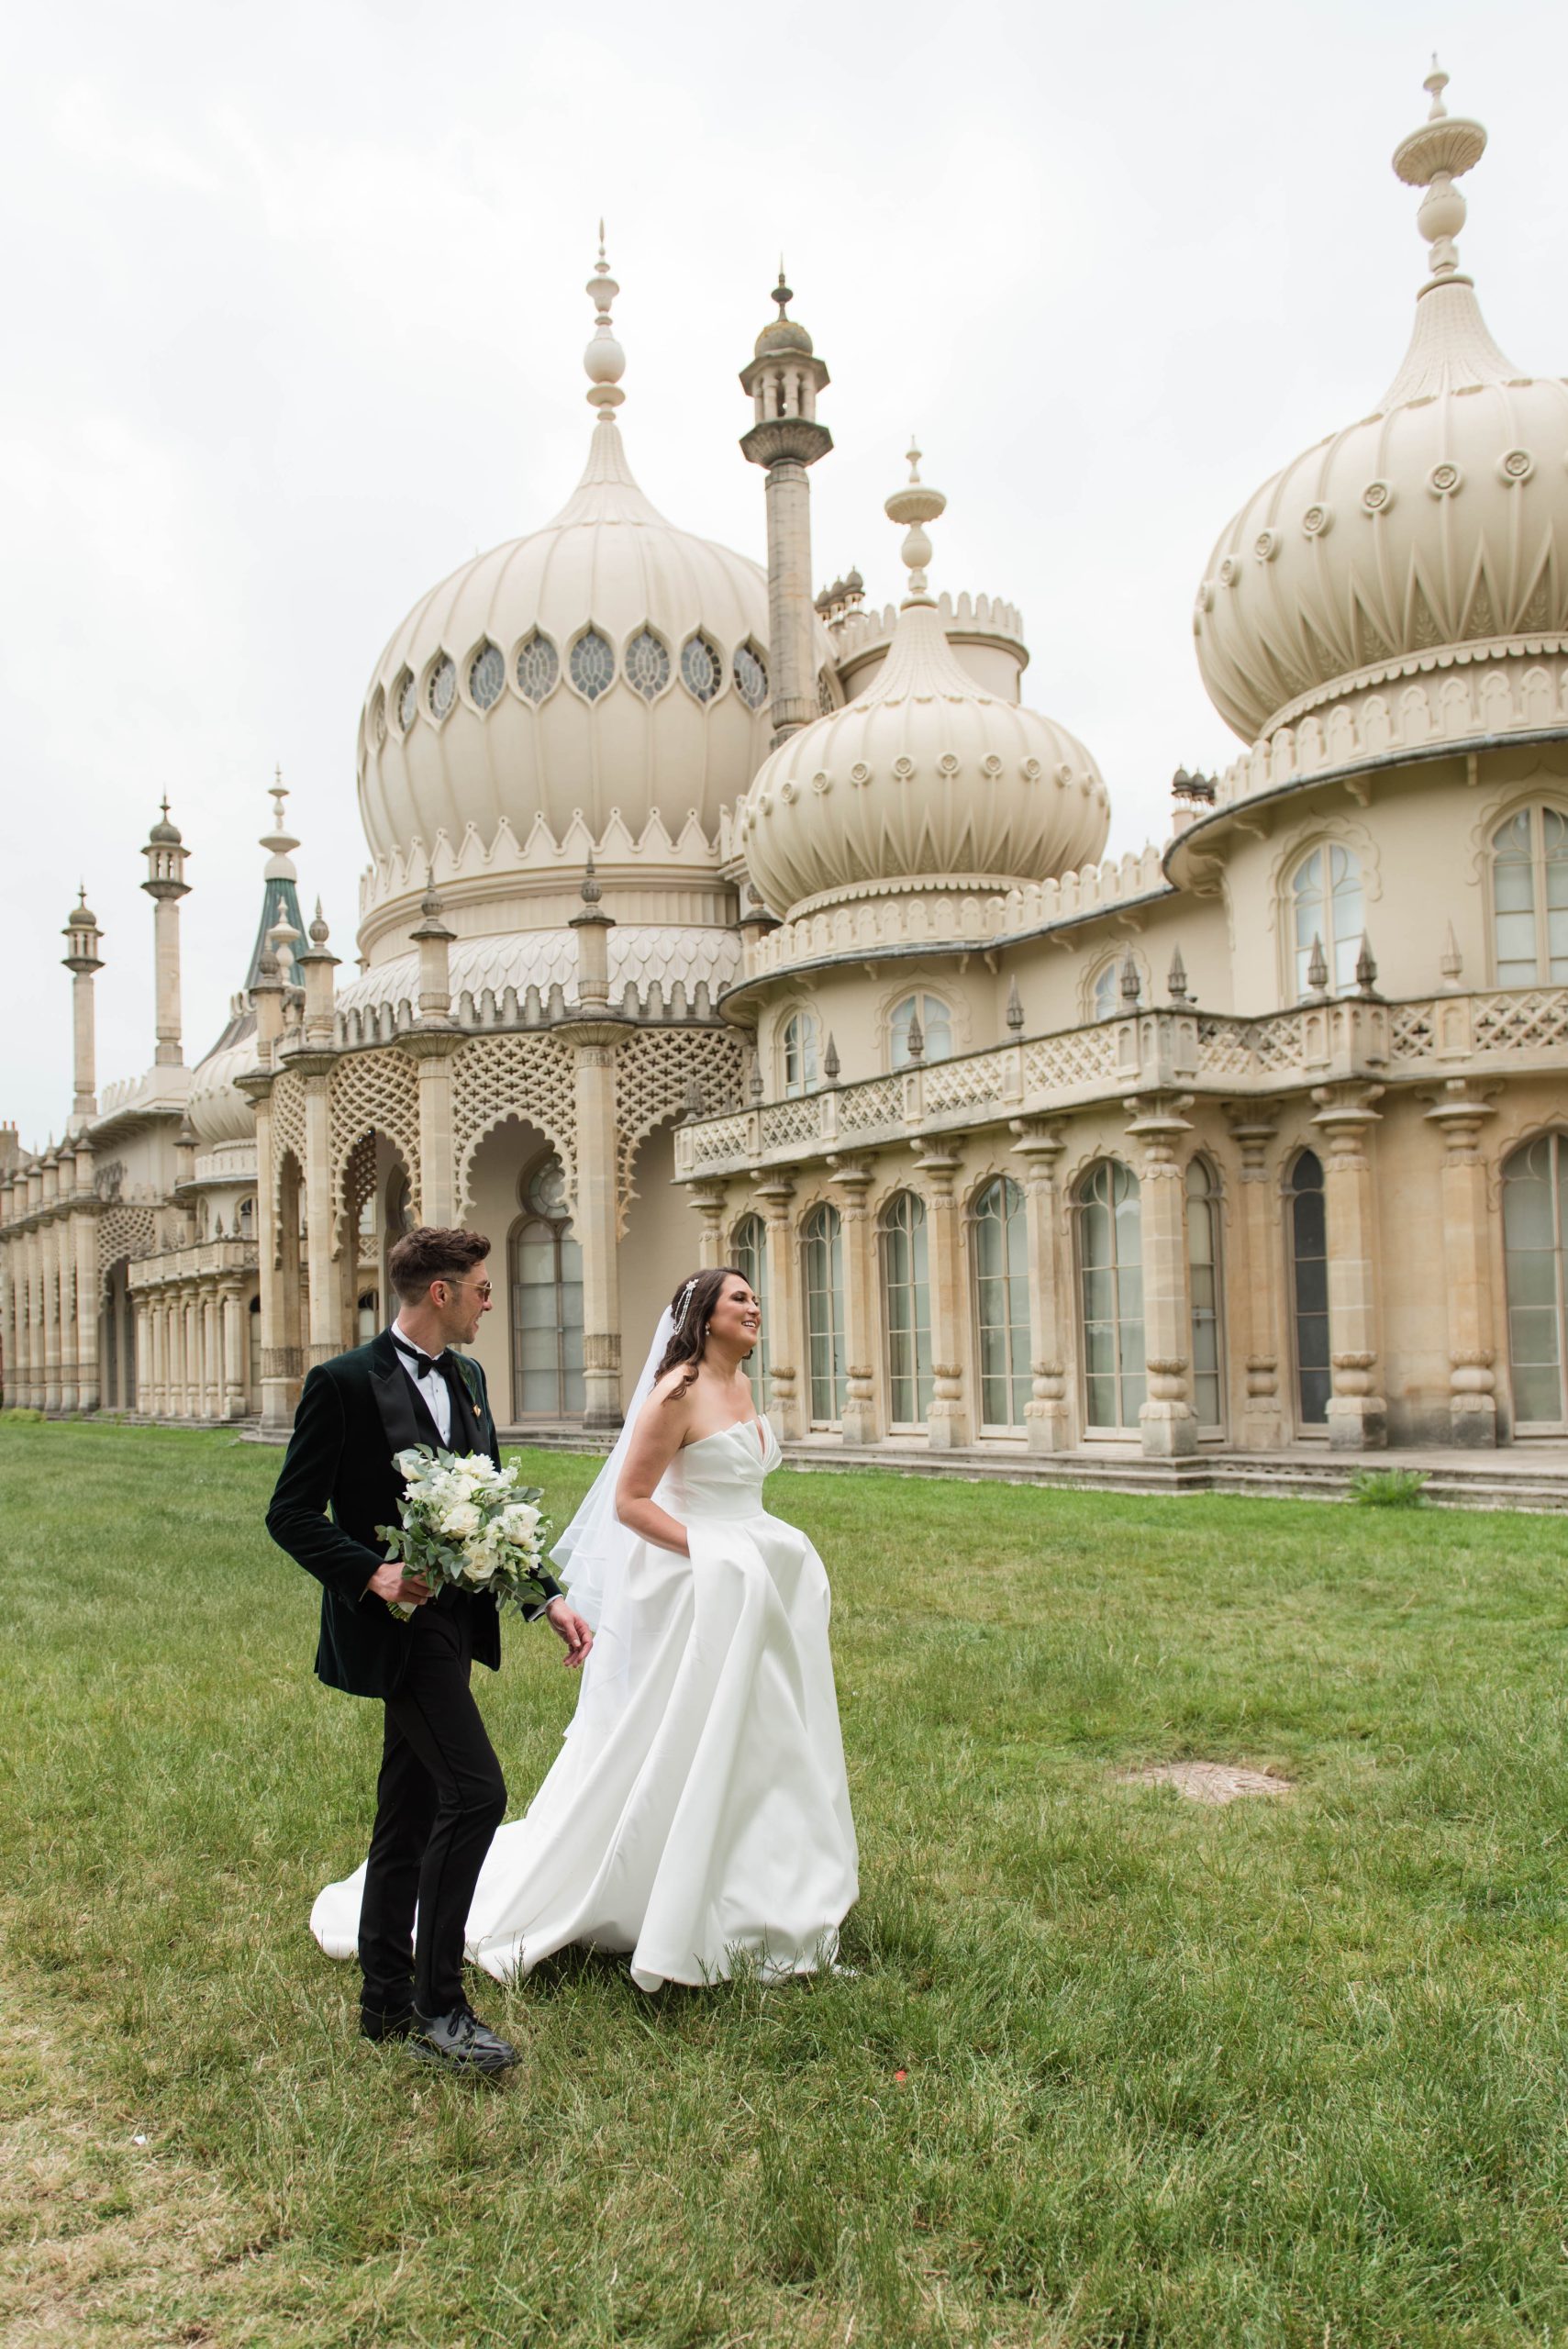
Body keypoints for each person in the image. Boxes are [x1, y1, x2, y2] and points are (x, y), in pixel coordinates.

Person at [311, 1265, 859, 1993]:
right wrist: (715, 1552)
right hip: (696, 1583)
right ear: (703, 1315)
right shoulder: (678, 1390)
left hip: (754, 1579)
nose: (755, 1307)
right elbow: (632, 1502)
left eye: (756, 1297)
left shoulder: (742, 1388)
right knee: (676, 1735)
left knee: (764, 1732)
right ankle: (638, 1885)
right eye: (739, 1299)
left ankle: (761, 1886)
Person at [267, 1224, 592, 2075]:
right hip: (394, 1629)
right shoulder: (341, 1384)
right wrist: (371, 1574)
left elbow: (486, 1504)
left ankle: (383, 1997)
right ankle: (438, 2006)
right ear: (440, 1292)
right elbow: (291, 1514)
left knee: (409, 1805)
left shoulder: (473, 1378)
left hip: (457, 1621)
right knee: (476, 1793)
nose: (492, 1299)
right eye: (482, 1287)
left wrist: (546, 1594)